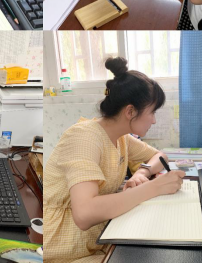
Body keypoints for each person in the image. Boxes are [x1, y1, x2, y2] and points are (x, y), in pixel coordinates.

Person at [44, 57, 185, 263]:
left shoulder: (121, 138)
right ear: (130, 111)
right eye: (152, 112)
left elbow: (159, 156)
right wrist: (155, 187)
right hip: (65, 249)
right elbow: (84, 214)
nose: (154, 120)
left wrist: (142, 172)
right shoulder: (84, 138)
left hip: (99, 238)